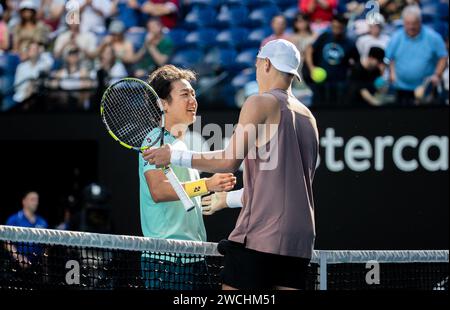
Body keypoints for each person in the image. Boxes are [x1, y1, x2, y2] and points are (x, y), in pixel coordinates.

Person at [144, 39, 319, 290]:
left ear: (266, 64)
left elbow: (228, 161)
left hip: (261, 237)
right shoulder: (308, 117)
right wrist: (227, 199)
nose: (257, 70)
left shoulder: (259, 102)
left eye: (258, 64)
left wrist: (175, 157)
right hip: (300, 242)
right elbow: (279, 191)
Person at [139, 65, 236, 289]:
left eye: (193, 93)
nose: (193, 99)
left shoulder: (180, 145)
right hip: (166, 260)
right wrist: (207, 184)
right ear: (163, 104)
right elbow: (159, 191)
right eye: (184, 94)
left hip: (192, 256)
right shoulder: (155, 139)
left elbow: (183, 191)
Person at [386, 5, 448, 106]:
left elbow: (443, 57)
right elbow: (390, 57)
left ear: (420, 22)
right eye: (408, 23)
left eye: (414, 23)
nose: (411, 27)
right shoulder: (396, 37)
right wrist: (392, 73)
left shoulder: (433, 37)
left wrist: (437, 75)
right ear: (403, 23)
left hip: (426, 89)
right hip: (401, 89)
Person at [305, 13, 360, 106]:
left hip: (339, 85)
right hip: (320, 84)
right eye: (334, 26)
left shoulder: (350, 43)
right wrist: (311, 68)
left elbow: (357, 61)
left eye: (339, 27)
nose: (336, 30)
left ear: (344, 27)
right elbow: (309, 50)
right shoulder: (325, 36)